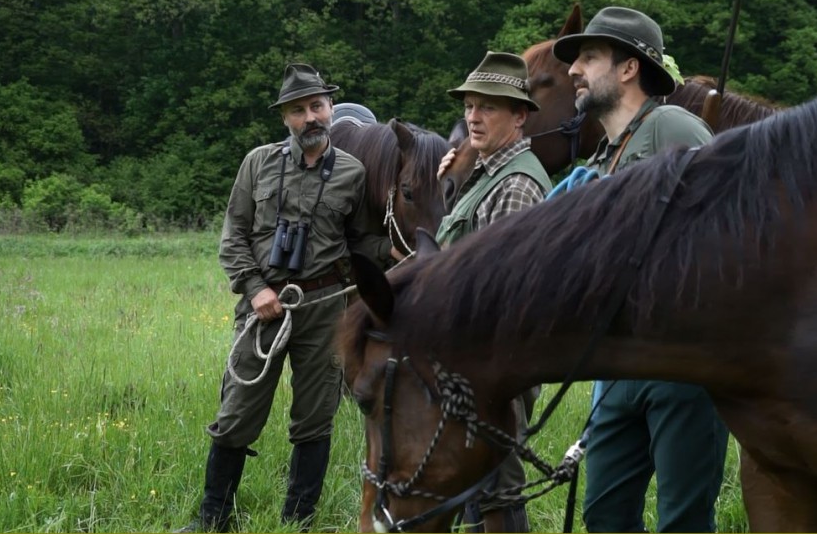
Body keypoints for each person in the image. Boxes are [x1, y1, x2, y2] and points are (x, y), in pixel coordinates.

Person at [177, 63, 399, 533]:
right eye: (298, 111)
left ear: (332, 110)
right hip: (263, 310)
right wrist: (255, 289)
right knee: (237, 411)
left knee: (315, 417)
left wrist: (400, 248)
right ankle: (213, 519)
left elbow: (361, 242)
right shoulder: (257, 163)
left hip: (323, 311)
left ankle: (297, 522)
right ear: (285, 118)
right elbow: (232, 237)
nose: (310, 118)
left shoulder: (354, 173)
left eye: (317, 107)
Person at [551, 7, 730, 533]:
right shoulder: (605, 156)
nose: (573, 71)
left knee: (684, 521)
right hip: (616, 365)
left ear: (628, 68)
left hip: (680, 363)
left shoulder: (671, 125)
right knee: (603, 514)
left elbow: (726, 225)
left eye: (589, 57)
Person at [435, 51, 552, 532]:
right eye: (469, 106)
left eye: (489, 107)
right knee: (475, 485)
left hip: (493, 363)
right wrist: (450, 187)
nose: (473, 117)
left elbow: (506, 297)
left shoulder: (518, 184)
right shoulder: (485, 175)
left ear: (519, 115)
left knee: (497, 485)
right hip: (470, 359)